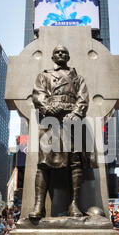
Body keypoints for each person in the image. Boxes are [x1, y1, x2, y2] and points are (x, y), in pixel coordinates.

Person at [29, 45, 91, 220]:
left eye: (64, 52)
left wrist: (76, 113)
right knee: (43, 163)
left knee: (75, 162)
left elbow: (83, 98)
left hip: (72, 121)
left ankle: (74, 204)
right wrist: (48, 107)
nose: (61, 54)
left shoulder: (78, 78)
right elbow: (37, 95)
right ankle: (39, 206)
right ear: (52, 57)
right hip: (51, 122)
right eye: (57, 52)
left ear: (68, 56)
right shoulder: (44, 75)